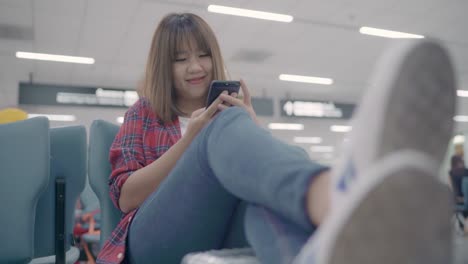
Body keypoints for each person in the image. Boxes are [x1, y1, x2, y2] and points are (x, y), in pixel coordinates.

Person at [96, 12, 456, 264]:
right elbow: (125, 198)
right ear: (165, 66)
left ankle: (318, 253)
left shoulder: (228, 115)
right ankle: (333, 195)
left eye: (204, 54)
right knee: (226, 127)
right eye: (181, 59)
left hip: (217, 234)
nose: (197, 67)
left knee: (264, 200)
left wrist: (249, 128)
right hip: (149, 246)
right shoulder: (145, 112)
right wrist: (192, 138)